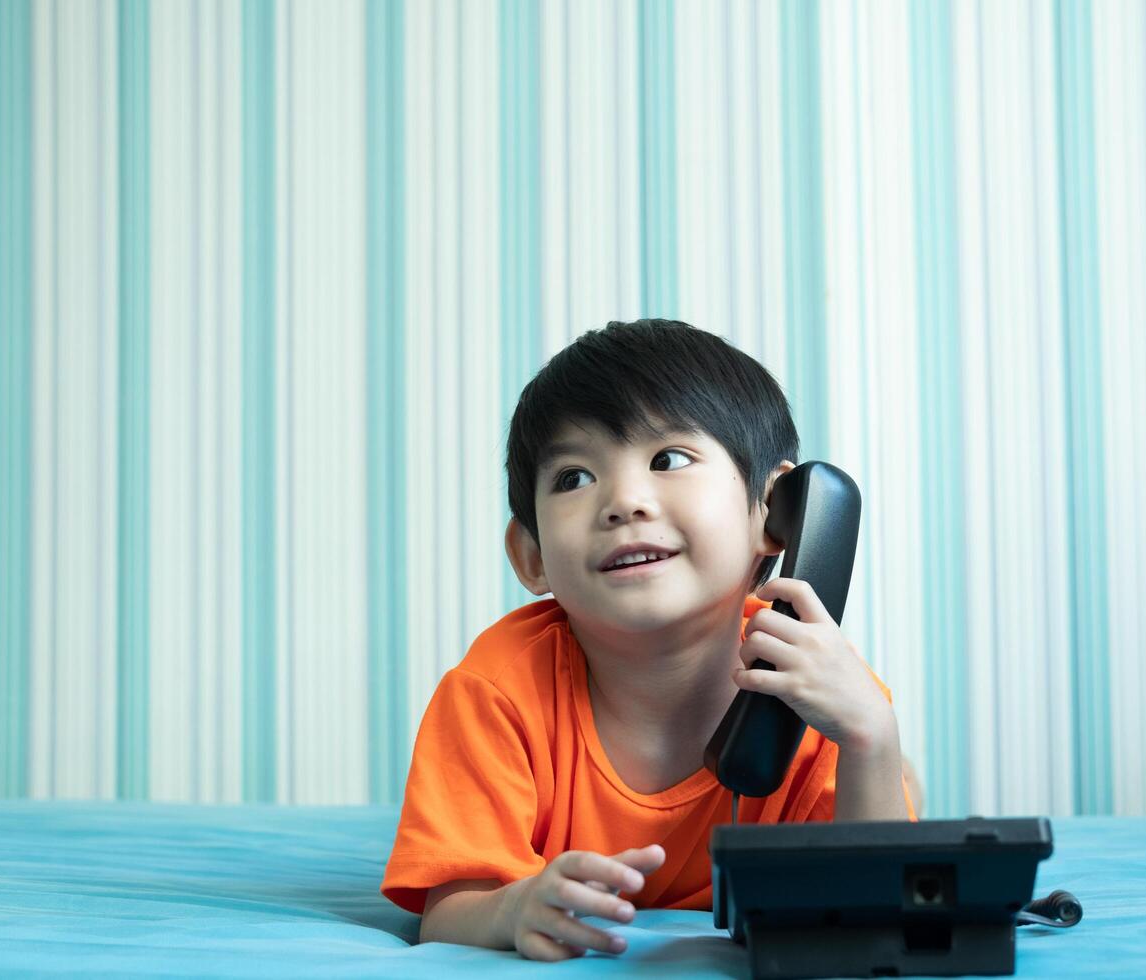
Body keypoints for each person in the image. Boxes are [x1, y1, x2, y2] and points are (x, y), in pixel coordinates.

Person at [381, 319, 921, 960]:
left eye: (668, 460)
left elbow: (879, 908)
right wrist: (513, 907)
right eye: (574, 477)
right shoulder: (494, 691)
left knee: (897, 780)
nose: (625, 501)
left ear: (778, 515)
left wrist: (870, 738)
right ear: (531, 557)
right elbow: (451, 911)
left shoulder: (821, 689)